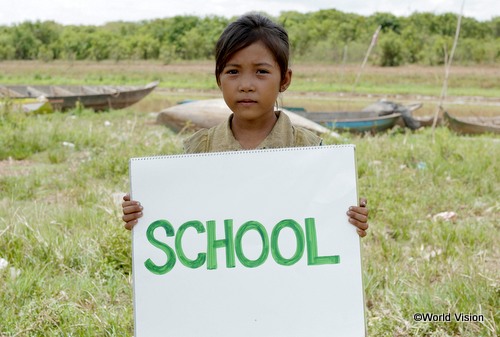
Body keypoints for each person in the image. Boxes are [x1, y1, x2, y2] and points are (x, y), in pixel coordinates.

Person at [122, 13, 369, 237]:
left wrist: (348, 219)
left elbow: (322, 220)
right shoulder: (199, 149)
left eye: (261, 72)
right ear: (218, 79)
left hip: (287, 281)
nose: (246, 85)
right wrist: (146, 214)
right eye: (233, 72)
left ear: (284, 79)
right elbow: (184, 215)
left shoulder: (310, 149)